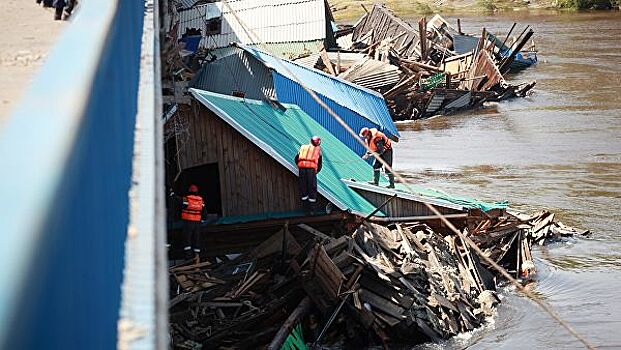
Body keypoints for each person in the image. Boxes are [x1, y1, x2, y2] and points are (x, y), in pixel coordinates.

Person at [295, 136, 322, 215]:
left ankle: (304, 208)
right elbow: (320, 164)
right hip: (311, 171)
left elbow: (296, 159)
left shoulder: (303, 147)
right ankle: (312, 210)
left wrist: (300, 166)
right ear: (318, 143)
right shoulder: (318, 151)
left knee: (303, 187)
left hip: (302, 169)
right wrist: (316, 171)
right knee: (312, 188)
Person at [181, 184, 206, 260]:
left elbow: (180, 207)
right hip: (197, 223)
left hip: (188, 222)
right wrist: (203, 220)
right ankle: (197, 255)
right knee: (196, 238)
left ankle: (188, 257)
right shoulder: (200, 199)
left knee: (187, 238)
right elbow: (204, 212)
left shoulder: (186, 199)